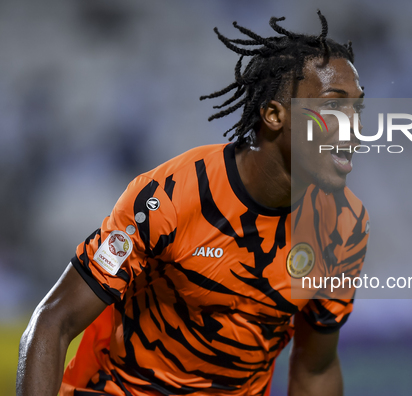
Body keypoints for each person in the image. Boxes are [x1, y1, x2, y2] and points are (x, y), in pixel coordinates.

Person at [17, 11, 369, 396]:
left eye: (358, 109)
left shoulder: (342, 227)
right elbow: (53, 322)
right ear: (273, 115)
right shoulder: (169, 197)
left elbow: (315, 368)